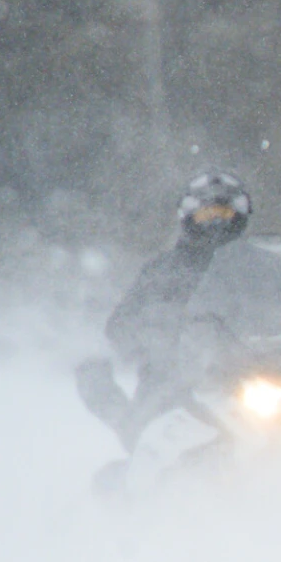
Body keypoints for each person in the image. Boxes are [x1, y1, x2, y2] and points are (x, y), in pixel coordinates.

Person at [76, 170, 253, 450]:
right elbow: (119, 328)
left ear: (239, 217)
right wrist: (154, 334)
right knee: (157, 438)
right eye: (208, 215)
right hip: (173, 390)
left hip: (248, 385)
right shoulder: (162, 273)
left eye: (223, 214)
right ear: (190, 217)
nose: (216, 224)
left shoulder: (260, 270)